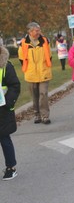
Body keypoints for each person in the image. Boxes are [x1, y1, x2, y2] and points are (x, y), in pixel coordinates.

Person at [18, 22, 52, 125]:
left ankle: (45, 116)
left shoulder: (45, 41)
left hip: (44, 72)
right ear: (30, 31)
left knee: (43, 94)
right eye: (36, 31)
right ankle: (37, 114)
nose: (39, 32)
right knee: (35, 96)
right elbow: (21, 59)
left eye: (39, 30)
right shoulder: (23, 43)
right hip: (31, 74)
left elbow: (49, 56)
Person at [0, 46, 21, 180]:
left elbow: (15, 86)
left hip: (3, 109)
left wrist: (7, 102)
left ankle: (11, 167)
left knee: (4, 138)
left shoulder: (6, 66)